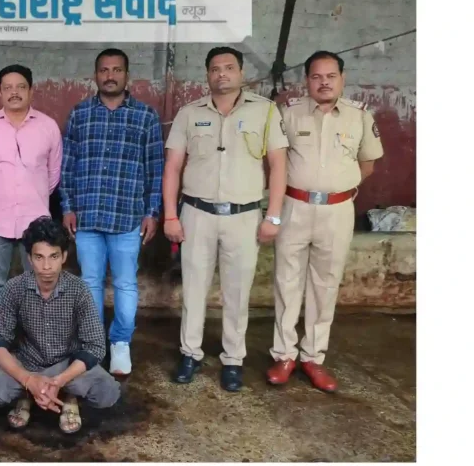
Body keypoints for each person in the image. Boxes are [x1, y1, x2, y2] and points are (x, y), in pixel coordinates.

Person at [162, 46, 289, 392]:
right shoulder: (190, 113)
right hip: (196, 213)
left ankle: (233, 359)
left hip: (244, 216)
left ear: (241, 73)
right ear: (207, 75)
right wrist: (171, 215)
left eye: (229, 68)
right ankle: (190, 353)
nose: (222, 74)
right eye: (215, 69)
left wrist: (273, 216)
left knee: (237, 292)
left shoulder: (265, 111)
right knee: (194, 289)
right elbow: (172, 167)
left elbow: (278, 166)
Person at [266, 51, 384, 393]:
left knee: (326, 284)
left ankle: (313, 357)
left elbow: (367, 164)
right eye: (316, 77)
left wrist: (340, 188)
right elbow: (274, 162)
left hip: (337, 210)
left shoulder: (359, 116)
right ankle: (284, 355)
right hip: (294, 206)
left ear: (342, 79)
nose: (324, 83)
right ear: (307, 80)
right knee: (287, 281)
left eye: (331, 76)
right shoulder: (289, 114)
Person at [59, 48, 164, 376]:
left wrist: (152, 212)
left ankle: (120, 342)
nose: (110, 76)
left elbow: (155, 169)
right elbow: (67, 166)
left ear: (126, 75)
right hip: (87, 215)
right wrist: (67, 207)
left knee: (125, 283)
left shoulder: (145, 116)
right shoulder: (80, 114)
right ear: (96, 75)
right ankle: (93, 343)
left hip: (127, 216)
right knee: (89, 281)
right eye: (104, 70)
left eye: (117, 70)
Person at [0, 217, 120, 434]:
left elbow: (95, 346)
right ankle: (29, 393)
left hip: (66, 365)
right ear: (29, 258)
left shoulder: (78, 289)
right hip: (27, 361)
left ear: (64, 257)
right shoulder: (14, 288)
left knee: (108, 393)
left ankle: (67, 395)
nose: (46, 267)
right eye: (39, 257)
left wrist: (59, 381)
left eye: (53, 256)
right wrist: (28, 379)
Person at [0, 64, 62, 367]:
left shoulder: (48, 127)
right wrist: (2, 197)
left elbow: (53, 175)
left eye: (20, 87)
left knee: (37, 282)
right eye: (7, 87)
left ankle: (35, 345)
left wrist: (31, 198)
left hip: (36, 222)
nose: (14, 93)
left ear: (31, 91)